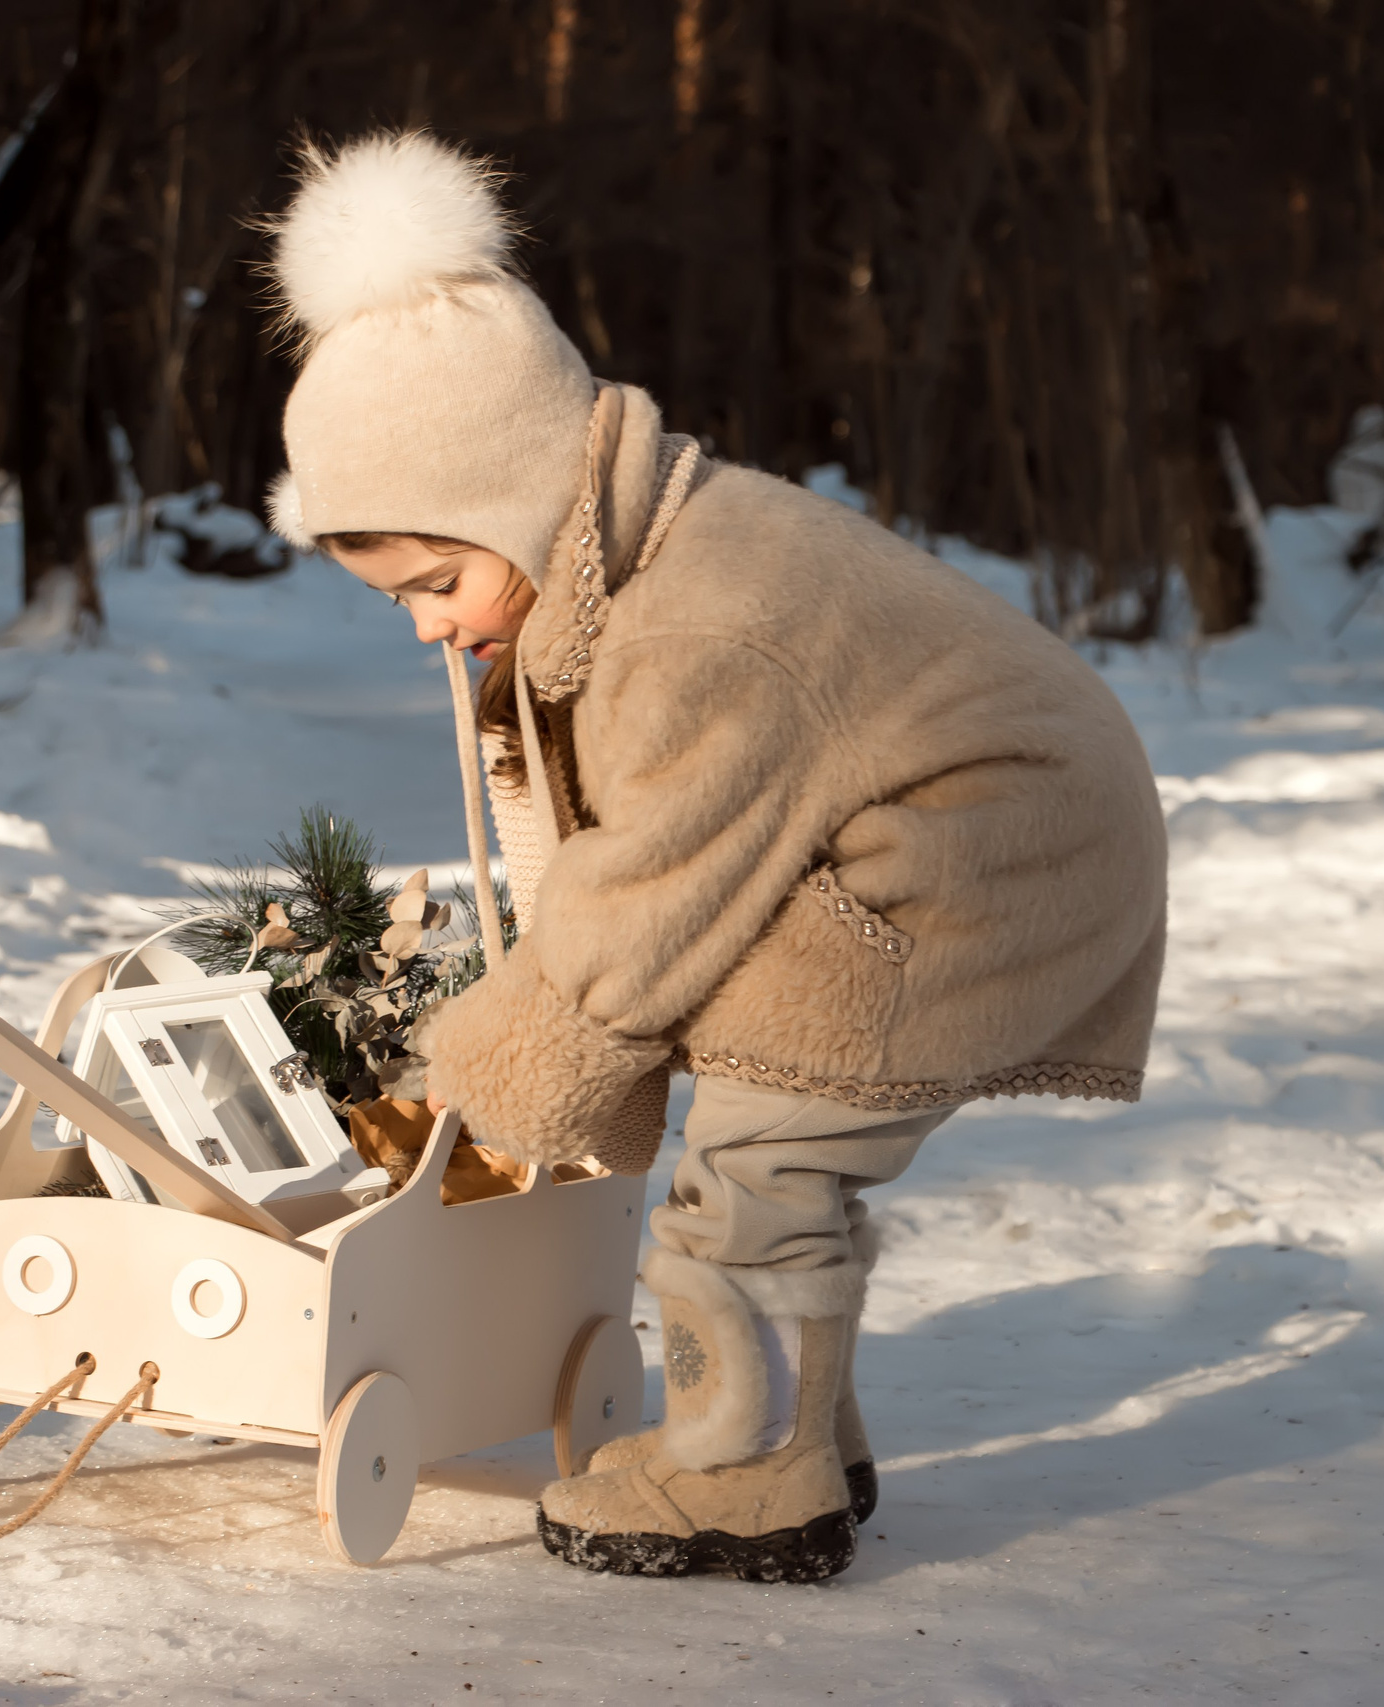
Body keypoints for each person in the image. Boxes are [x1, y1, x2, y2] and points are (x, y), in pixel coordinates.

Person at [259, 133, 1168, 1583]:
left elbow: (642, 917)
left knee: (769, 1134)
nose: (428, 626)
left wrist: (476, 1084)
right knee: (774, 1121)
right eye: (398, 602)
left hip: (992, 841)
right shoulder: (631, 561)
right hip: (953, 823)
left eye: (436, 583)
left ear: (510, 498)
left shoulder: (700, 626)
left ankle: (749, 1474)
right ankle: (801, 1430)